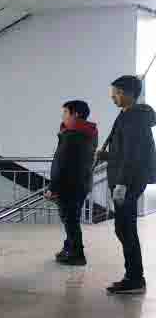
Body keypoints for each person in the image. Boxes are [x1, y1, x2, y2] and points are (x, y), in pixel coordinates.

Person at [96, 74, 156, 295]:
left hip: (128, 181)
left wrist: (122, 183)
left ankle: (134, 278)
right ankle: (134, 277)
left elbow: (132, 154)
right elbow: (124, 151)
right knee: (124, 227)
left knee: (125, 228)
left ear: (129, 94)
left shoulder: (133, 118)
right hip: (128, 178)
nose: (113, 97)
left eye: (117, 93)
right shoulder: (129, 115)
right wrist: (107, 156)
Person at [43, 99, 98, 266]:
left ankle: (77, 254)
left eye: (65, 112)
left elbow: (62, 164)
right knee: (71, 219)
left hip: (69, 185)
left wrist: (53, 188)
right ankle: (69, 248)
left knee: (70, 220)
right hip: (81, 183)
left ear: (76, 114)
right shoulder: (88, 132)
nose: (63, 116)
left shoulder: (72, 135)